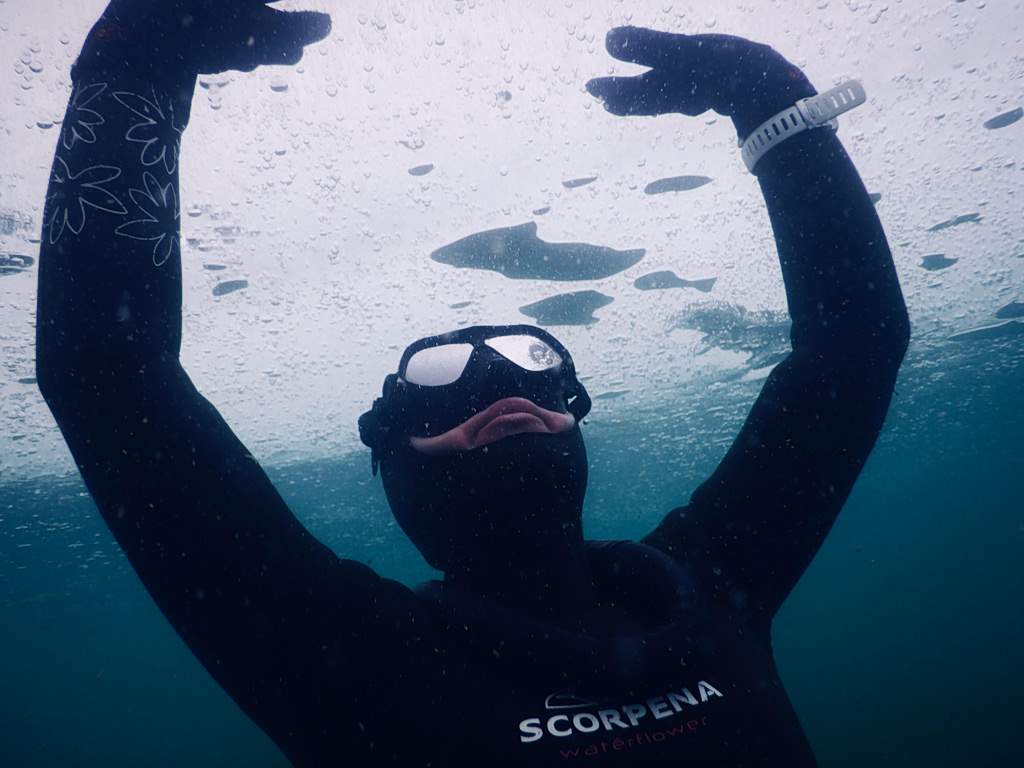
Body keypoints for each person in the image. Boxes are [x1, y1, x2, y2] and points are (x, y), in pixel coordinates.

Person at [35, 2, 909, 766]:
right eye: (441, 381)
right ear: (393, 458)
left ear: (575, 418)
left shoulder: (703, 582)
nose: (499, 382)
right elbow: (110, 379)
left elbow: (854, 347)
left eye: (534, 364)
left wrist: (776, 108)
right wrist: (132, 70)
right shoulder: (347, 655)